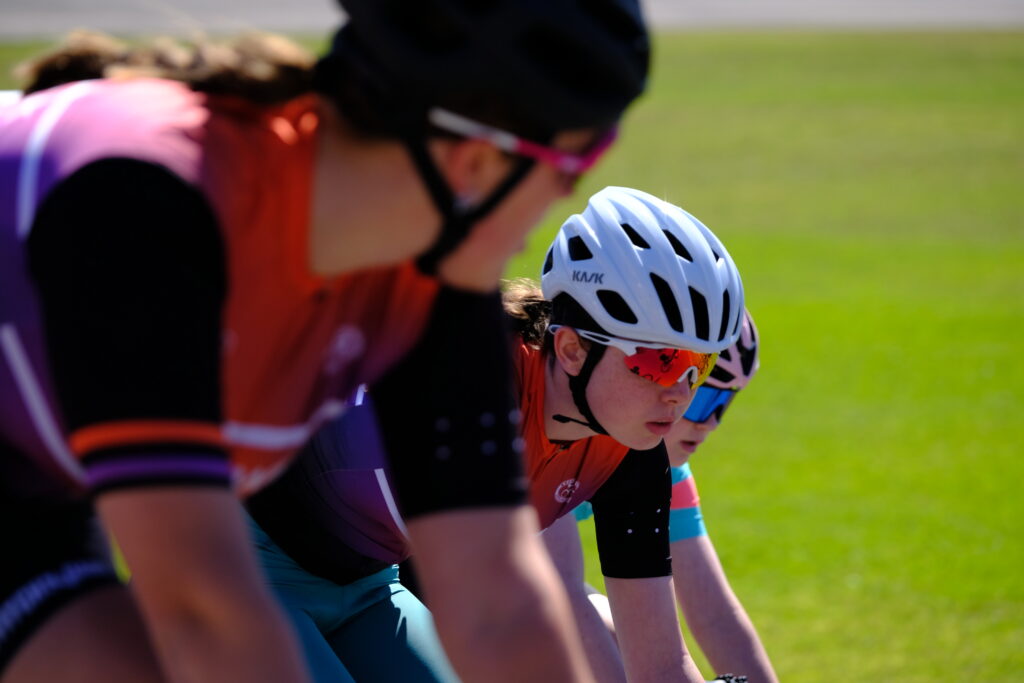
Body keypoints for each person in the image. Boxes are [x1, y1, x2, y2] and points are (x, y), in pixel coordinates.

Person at [0, 2, 650, 680]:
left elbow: (497, 600)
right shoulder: (158, 211)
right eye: (576, 164)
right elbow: (202, 611)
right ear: (478, 160)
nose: (568, 193)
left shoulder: (432, 284)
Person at [244, 185, 745, 683]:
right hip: (240, 566)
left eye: (698, 367)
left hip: (370, 587)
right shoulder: (475, 381)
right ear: (571, 349)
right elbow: (501, 622)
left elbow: (660, 665)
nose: (681, 393)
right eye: (661, 361)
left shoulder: (632, 454)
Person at [546, 309, 781, 683]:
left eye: (723, 406)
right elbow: (560, 595)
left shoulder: (662, 467)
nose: (708, 423)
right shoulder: (564, 437)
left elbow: (716, 616)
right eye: (702, 400)